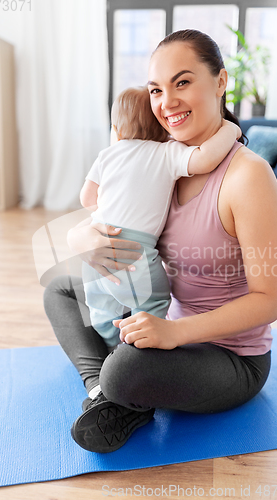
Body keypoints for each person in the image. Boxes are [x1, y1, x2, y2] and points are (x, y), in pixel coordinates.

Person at [43, 29, 277, 454]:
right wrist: (81, 233)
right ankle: (106, 392)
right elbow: (105, 211)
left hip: (228, 356)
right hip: (159, 319)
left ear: (221, 81)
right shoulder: (161, 159)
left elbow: (269, 300)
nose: (166, 102)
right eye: (156, 89)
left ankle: (117, 387)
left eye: (183, 82)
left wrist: (176, 332)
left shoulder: (248, 177)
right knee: (60, 289)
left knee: (127, 369)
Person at [81, 85, 241, 350]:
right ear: (163, 129)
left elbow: (87, 199)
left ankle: (109, 346)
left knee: (100, 308)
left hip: (98, 251)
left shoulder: (106, 156)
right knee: (152, 305)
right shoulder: (166, 152)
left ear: (117, 130)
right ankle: (134, 353)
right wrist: (231, 129)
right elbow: (205, 159)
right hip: (136, 255)